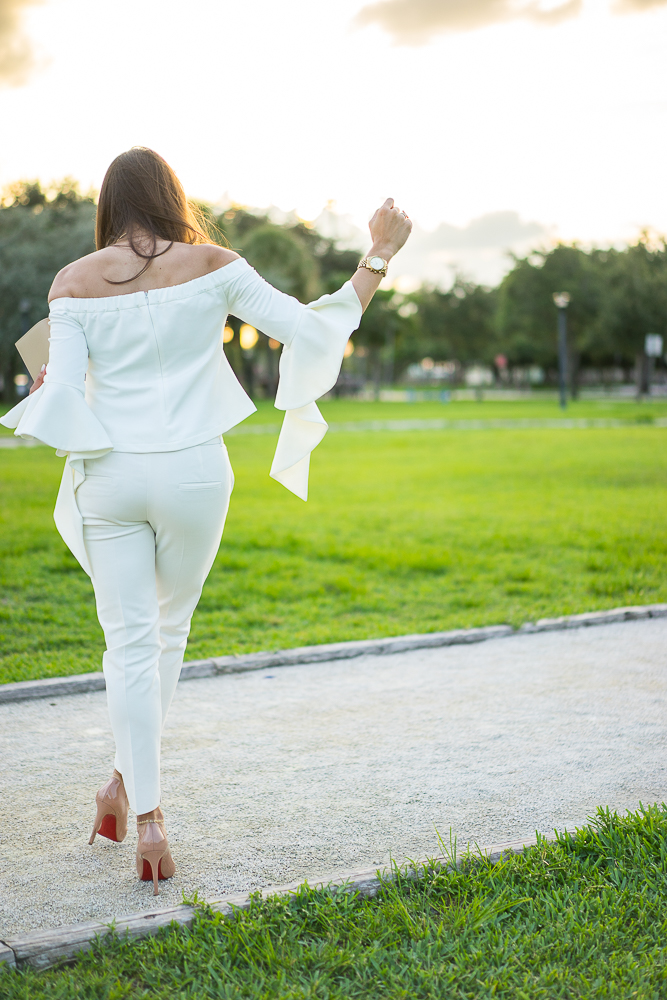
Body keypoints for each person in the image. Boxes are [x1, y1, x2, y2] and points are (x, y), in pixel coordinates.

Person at [0, 147, 412, 894]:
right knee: (166, 633)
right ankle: (133, 801)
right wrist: (377, 255)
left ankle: (133, 801)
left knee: (126, 643)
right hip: (193, 471)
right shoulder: (214, 263)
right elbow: (311, 331)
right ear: (170, 196)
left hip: (109, 475)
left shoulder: (72, 282)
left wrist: (46, 380)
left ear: (108, 205)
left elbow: (55, 391)